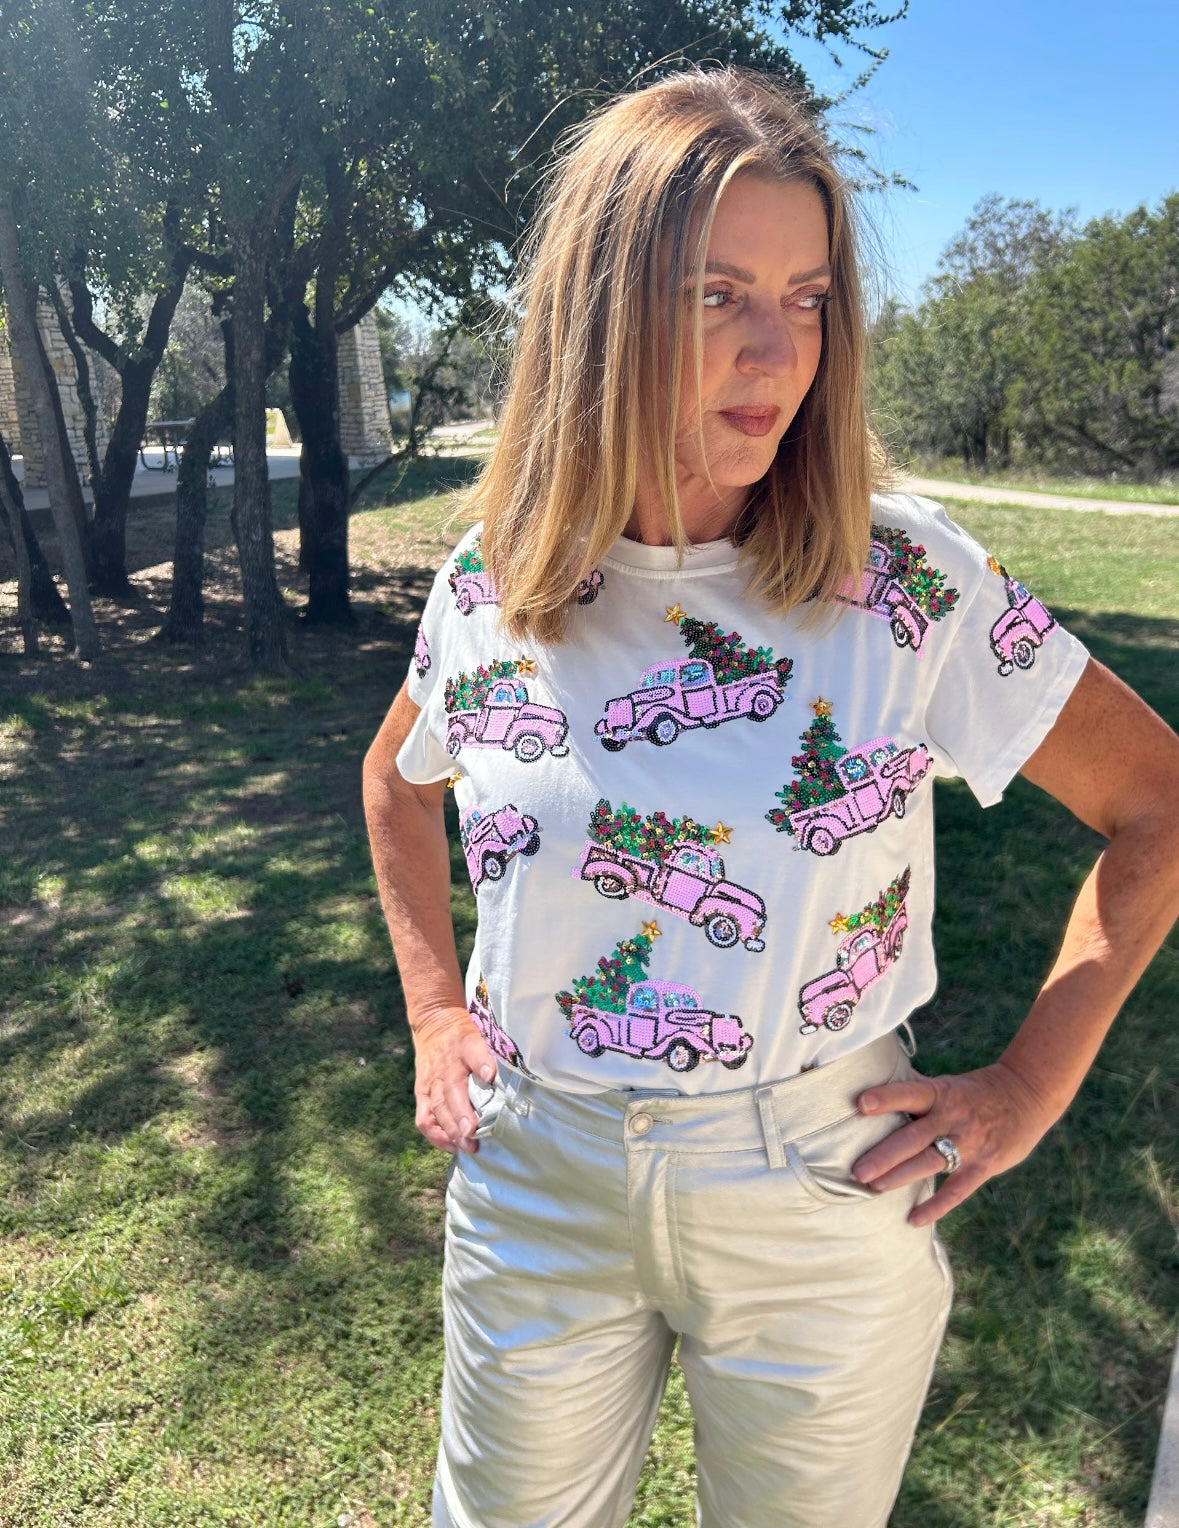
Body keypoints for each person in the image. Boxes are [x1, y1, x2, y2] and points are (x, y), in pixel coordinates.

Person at [363, 68, 1179, 1528]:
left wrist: (1033, 1082)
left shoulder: (905, 581)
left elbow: (1162, 803)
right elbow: (392, 783)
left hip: (822, 1170)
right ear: (601, 315)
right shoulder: (494, 579)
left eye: (807, 300)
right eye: (716, 295)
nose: (775, 352)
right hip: (540, 1168)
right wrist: (435, 1009)